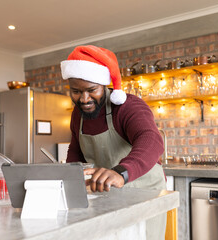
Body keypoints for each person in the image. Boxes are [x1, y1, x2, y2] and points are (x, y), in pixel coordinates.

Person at [60, 45, 166, 240]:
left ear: (103, 84)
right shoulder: (78, 115)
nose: (84, 99)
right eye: (76, 91)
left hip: (142, 193)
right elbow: (76, 151)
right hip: (105, 195)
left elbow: (151, 140)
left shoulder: (127, 106)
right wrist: (69, 179)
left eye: (92, 90)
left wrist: (121, 172)